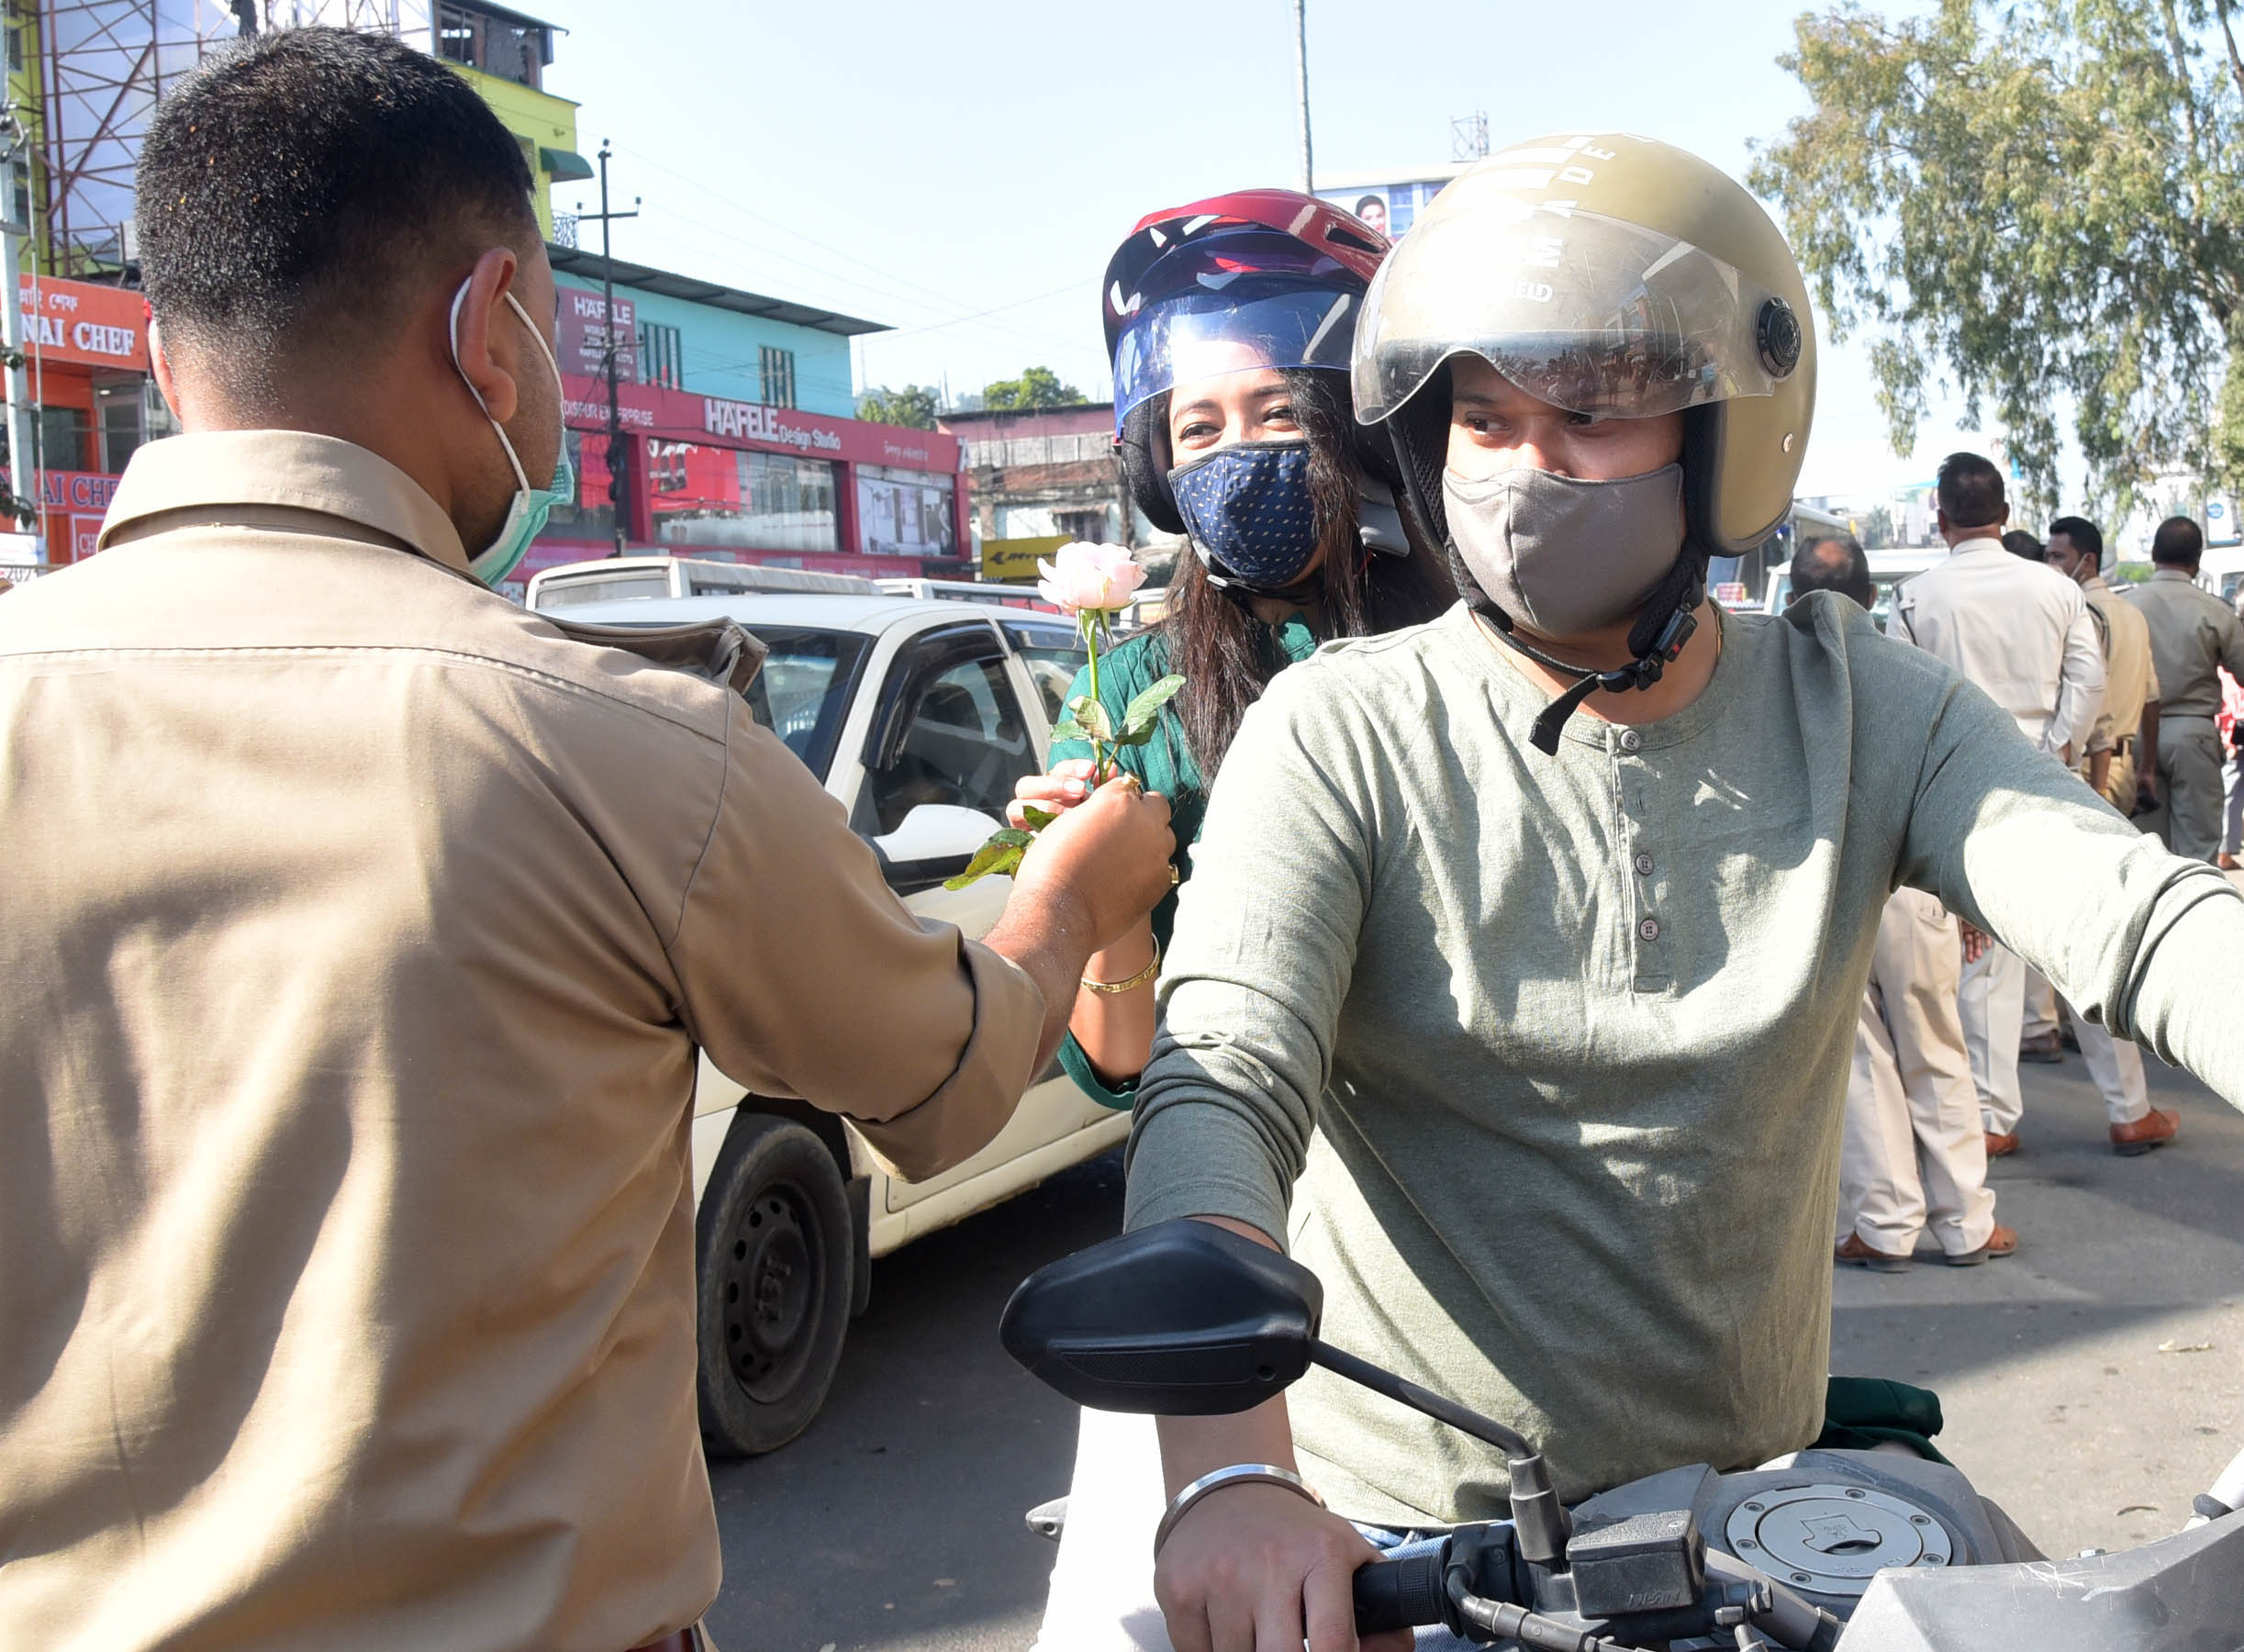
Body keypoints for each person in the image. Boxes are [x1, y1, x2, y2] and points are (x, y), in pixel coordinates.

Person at [0, 31, 1175, 1652]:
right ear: (491, 334)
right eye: (547, 330)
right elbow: (949, 1080)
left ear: (163, 350)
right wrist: (1073, 898)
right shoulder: (612, 749)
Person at [1075, 133, 2243, 1652]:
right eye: (1482, 418)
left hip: (1757, 1536)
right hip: (1406, 1566)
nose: (1525, 466)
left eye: (1590, 412)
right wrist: (1228, 1470)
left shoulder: (1858, 707)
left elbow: (2147, 925)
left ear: (1725, 431)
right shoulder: (1342, 728)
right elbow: (1224, 1071)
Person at [1007, 190, 1451, 1110]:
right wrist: (1096, 891)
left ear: (1352, 427)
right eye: (1199, 429)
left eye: (1278, 411)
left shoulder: (1465, 651)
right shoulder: (1127, 693)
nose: (1237, 453)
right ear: (1159, 474)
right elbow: (1124, 1065)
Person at [1792, 538, 2011, 1267]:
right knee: (1938, 1053)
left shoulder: (1766, 683)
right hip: (1913, 888)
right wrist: (1971, 896)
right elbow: (1956, 790)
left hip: (1823, 890)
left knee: (1860, 1062)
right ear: (1870, 593)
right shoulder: (1914, 673)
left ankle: (1885, 1224)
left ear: (1793, 592)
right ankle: (1966, 1224)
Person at [1889, 453, 2105, 1158]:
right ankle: (2127, 1106)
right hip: (2047, 776)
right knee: (2089, 941)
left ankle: (1989, 1115)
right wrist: (2049, 750)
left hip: (1960, 787)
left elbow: (1903, 708)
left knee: (1983, 961)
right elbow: (2086, 680)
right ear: (2006, 515)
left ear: (1941, 519)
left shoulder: (1916, 597)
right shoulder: (2055, 588)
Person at [2127, 515, 2244, 863]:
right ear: (2197, 559)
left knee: (2147, 849)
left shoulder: (2127, 606)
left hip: (2135, 734)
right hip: (2192, 733)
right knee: (2197, 849)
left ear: (2153, 553)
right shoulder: (2214, 611)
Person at [2045, 514, 2159, 811]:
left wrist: (2098, 783)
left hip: (2090, 770)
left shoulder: (2081, 613)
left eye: (2059, 556)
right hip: (2122, 770)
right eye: (2047, 556)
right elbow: (2152, 698)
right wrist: (2146, 767)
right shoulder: (2134, 614)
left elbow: (2092, 691)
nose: (2051, 566)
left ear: (2088, 560)